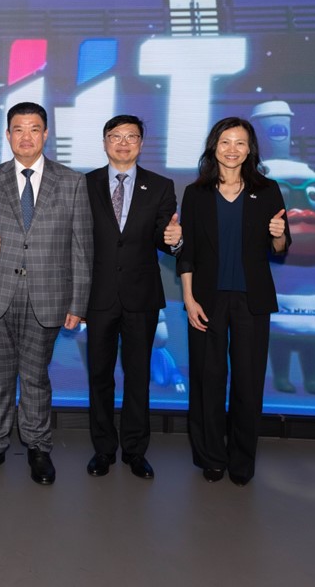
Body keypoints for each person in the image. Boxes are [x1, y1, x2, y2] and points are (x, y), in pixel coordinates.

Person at [0, 101, 92, 485]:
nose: (26, 136)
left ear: (46, 134)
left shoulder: (72, 181)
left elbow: (82, 247)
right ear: (8, 135)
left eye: (34, 129)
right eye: (18, 129)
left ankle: (38, 447)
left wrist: (78, 303)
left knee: (36, 377)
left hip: (48, 296)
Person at [178, 117, 290, 487]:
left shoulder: (268, 190)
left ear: (250, 149)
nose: (232, 149)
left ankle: (242, 460)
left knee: (248, 381)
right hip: (206, 299)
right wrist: (188, 299)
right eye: (225, 141)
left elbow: (279, 248)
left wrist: (278, 234)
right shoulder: (196, 194)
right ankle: (211, 457)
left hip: (251, 300)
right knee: (207, 380)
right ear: (214, 146)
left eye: (240, 143)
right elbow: (188, 252)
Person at [84, 115, 181, 481]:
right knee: (100, 375)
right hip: (98, 295)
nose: (123, 143)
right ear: (105, 142)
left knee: (138, 376)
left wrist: (174, 241)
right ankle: (103, 449)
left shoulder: (160, 186)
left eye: (131, 137)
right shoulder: (85, 184)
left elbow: (163, 237)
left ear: (141, 143)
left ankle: (136, 450)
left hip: (142, 296)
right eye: (116, 136)